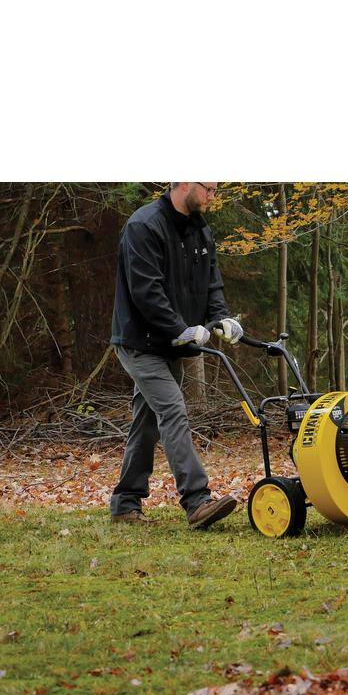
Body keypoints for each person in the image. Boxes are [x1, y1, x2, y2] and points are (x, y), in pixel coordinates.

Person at [109, 182, 242, 529]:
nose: (213, 196)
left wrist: (221, 318)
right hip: (139, 342)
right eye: (208, 188)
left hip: (171, 344)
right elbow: (146, 291)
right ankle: (197, 500)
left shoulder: (200, 230)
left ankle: (125, 502)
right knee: (172, 409)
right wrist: (181, 328)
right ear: (184, 181)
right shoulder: (144, 226)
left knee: (146, 422)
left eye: (216, 189)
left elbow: (211, 284)